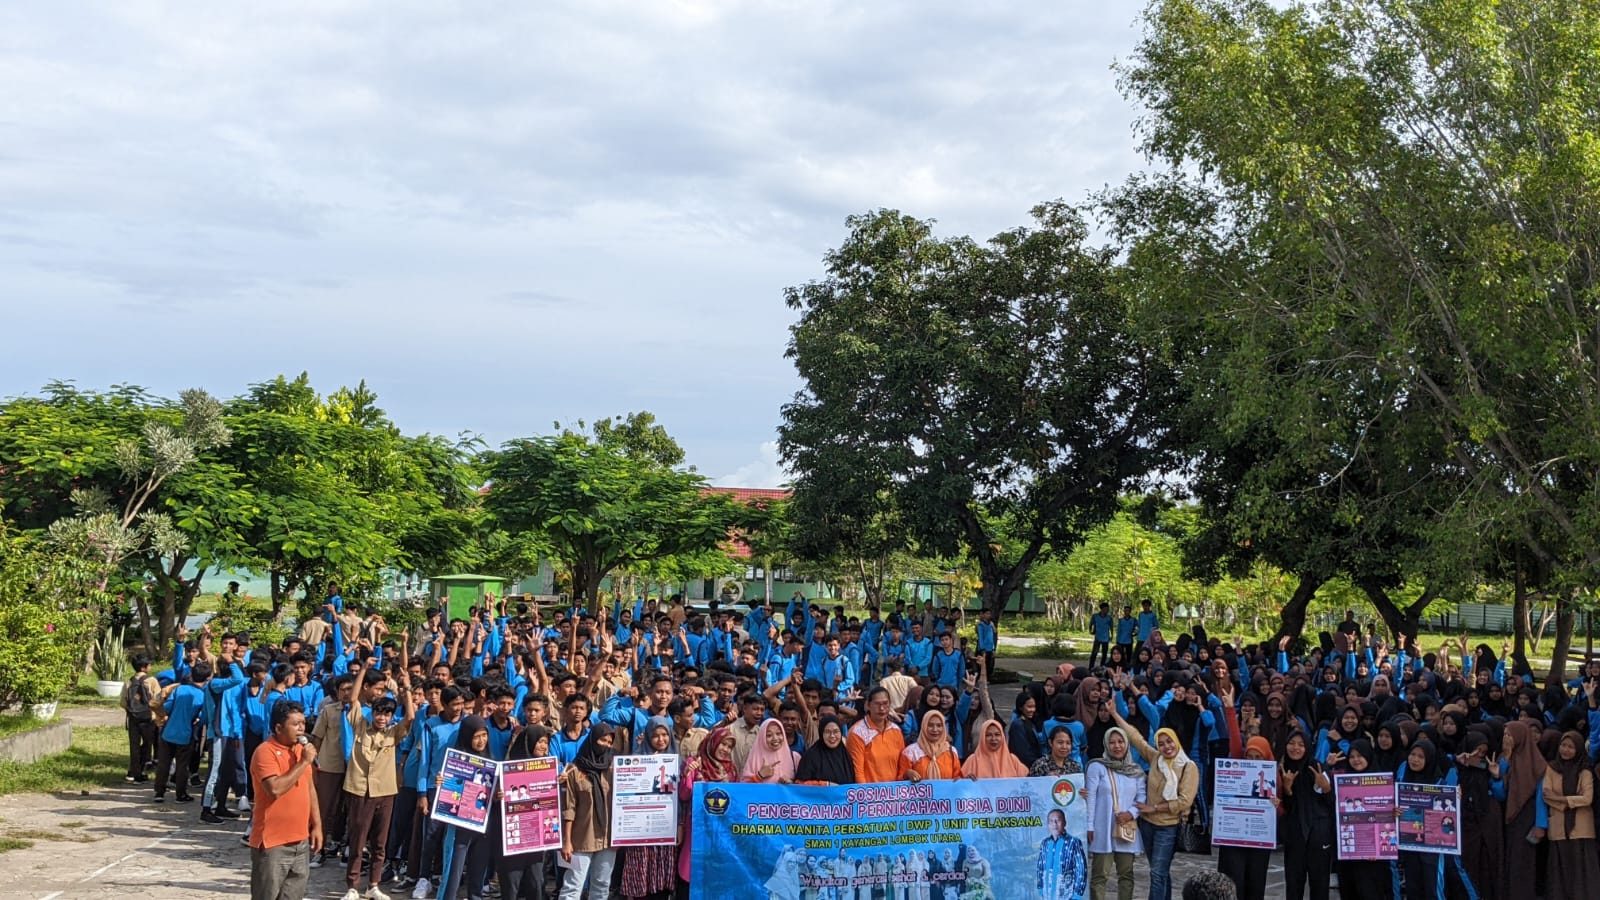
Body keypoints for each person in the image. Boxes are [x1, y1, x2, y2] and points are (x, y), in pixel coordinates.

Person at [1114, 711, 1197, 900]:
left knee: (1157, 874)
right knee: (1160, 871)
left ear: (1176, 741)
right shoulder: (1155, 759)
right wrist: (1114, 714)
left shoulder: (1188, 766)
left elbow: (1185, 800)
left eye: (1169, 742)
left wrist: (1155, 808)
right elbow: (1135, 738)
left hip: (1168, 827)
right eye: (1161, 743)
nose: (1166, 747)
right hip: (1147, 824)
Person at [249, 700, 324, 900]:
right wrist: (304, 762)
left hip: (299, 840)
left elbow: (309, 788)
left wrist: (316, 825)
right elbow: (275, 789)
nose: (302, 729)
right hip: (273, 843)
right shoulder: (265, 752)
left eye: (303, 723)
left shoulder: (300, 750)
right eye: (296, 724)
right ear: (278, 727)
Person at [1086, 726, 1145, 900]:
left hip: (1125, 828)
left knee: (1126, 875)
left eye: (1120, 742)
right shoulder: (1097, 767)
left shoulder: (1136, 771)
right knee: (1099, 876)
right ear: (1106, 744)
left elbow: (1142, 797)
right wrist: (1089, 826)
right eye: (1112, 742)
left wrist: (1131, 813)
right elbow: (1091, 797)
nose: (1117, 746)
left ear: (1126, 744)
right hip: (1102, 828)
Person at [560, 724, 617, 900]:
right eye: (602, 740)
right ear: (592, 740)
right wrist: (567, 841)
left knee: (601, 887)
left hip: (608, 839)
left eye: (609, 742)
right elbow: (568, 808)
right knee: (572, 887)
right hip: (581, 838)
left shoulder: (614, 769)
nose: (606, 745)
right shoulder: (574, 770)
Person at [1543, 731, 1599, 900]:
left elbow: (1587, 799)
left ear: (1579, 749)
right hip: (1559, 828)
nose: (1565, 750)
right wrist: (1572, 801)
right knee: (1560, 873)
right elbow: (1546, 796)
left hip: (1581, 829)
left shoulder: (1585, 770)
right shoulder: (1551, 767)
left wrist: (1561, 799)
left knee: (1582, 874)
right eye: (1563, 745)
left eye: (1570, 747)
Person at [848, 687, 907, 784]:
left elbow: (902, 764)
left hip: (894, 794)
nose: (882, 708)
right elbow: (857, 772)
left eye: (885, 703)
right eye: (877, 704)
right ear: (868, 705)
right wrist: (866, 795)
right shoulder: (857, 732)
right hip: (870, 794)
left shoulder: (895, 730)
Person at [121, 652, 161, 784]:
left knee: (134, 746)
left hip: (133, 717)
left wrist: (131, 710)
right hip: (148, 718)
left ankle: (133, 772)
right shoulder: (152, 681)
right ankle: (139, 771)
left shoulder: (129, 682)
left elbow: (123, 702)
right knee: (147, 744)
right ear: (144, 667)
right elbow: (158, 699)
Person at [1036, 807, 1088, 900]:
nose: (1054, 824)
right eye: (1051, 821)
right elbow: (1040, 866)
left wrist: (1077, 893)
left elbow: (1081, 869)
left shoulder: (1073, 842)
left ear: (1064, 823)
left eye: (1058, 820)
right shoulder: (1045, 843)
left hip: (1066, 893)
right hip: (1047, 893)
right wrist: (1040, 886)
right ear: (1048, 824)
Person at [899, 710, 961, 783]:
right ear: (924, 726)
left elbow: (957, 778)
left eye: (939, 725)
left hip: (946, 794)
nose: (935, 729)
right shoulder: (911, 751)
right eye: (930, 725)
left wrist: (964, 780)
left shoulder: (951, 751)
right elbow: (900, 781)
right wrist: (907, 774)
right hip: (919, 794)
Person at [795, 717, 857, 786]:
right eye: (827, 732)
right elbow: (799, 784)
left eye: (836, 731)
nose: (832, 736)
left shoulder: (845, 755)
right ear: (821, 733)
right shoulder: (811, 756)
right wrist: (825, 784)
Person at [962, 719, 1028, 779]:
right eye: (988, 735)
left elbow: (1025, 783)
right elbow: (961, 786)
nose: (993, 739)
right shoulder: (972, 761)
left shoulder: (1013, 760)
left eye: (997, 734)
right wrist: (966, 781)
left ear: (1002, 736)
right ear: (982, 737)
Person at [744, 718, 799, 784]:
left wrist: (790, 783)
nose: (775, 738)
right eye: (769, 735)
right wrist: (760, 776)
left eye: (778, 734)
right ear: (762, 737)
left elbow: (802, 786)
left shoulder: (795, 758)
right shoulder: (754, 758)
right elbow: (744, 789)